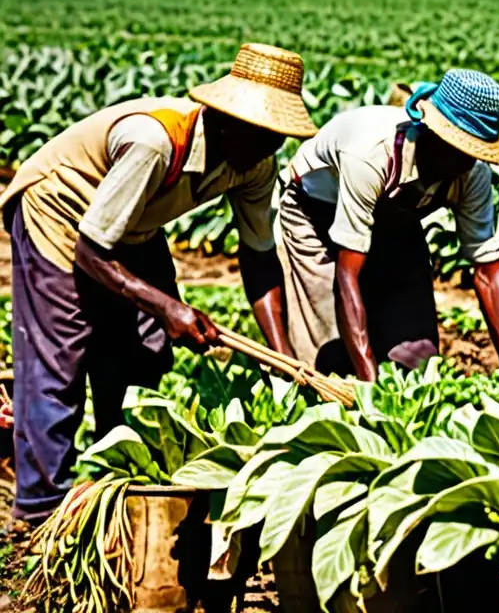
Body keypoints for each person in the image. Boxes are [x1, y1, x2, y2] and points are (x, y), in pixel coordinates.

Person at [0, 43, 317, 523]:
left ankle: (116, 469)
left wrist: (284, 357)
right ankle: (44, 506)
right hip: (61, 211)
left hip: (133, 224)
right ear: (227, 119)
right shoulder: (156, 141)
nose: (271, 147)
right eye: (263, 134)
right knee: (60, 359)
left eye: (278, 136)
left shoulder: (254, 161)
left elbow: (258, 257)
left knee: (144, 350)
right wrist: (169, 308)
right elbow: (91, 250)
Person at [275, 69, 499, 381]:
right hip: (316, 212)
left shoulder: (472, 174)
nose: (465, 162)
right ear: (432, 133)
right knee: (329, 355)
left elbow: (487, 269)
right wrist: (370, 389)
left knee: (416, 355)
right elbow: (346, 277)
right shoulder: (371, 154)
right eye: (458, 149)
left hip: (395, 220)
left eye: (473, 153)